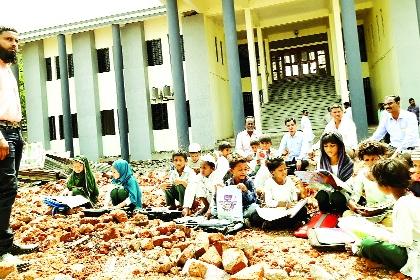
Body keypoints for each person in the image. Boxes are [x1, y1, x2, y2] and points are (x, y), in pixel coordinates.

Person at [0, 27, 38, 256]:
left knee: (7, 191)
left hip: (14, 132)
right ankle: (2, 248)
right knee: (6, 189)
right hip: (2, 133)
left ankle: (5, 242)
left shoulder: (8, 69)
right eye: (8, 39)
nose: (14, 43)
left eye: (16, 39)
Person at [357, 159, 419, 279]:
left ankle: (381, 262)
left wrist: (381, 235)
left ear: (385, 185)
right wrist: (387, 230)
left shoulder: (402, 205)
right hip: (413, 245)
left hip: (413, 254)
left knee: (368, 244)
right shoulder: (409, 198)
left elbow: (404, 241)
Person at [345, 140, 394, 225]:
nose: (371, 163)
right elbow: (356, 193)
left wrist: (376, 210)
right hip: (368, 210)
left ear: (381, 157)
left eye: (374, 159)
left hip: (387, 212)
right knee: (347, 215)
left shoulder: (388, 172)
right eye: (367, 160)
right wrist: (352, 203)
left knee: (391, 222)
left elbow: (391, 200)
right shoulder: (362, 173)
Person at [253, 157, 308, 230]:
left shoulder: (289, 180)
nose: (284, 172)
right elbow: (269, 202)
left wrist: (294, 201)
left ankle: (281, 224)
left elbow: (294, 193)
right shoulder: (269, 183)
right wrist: (284, 204)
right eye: (280, 170)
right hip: (275, 210)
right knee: (255, 217)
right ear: (273, 172)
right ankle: (275, 224)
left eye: (285, 169)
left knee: (303, 210)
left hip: (289, 209)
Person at [315, 132, 354, 214]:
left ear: (339, 146)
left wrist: (331, 181)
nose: (329, 149)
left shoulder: (348, 163)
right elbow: (319, 183)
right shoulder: (321, 162)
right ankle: (327, 215)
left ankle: (341, 214)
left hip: (343, 194)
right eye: (325, 146)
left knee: (337, 196)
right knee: (321, 195)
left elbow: (349, 188)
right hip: (327, 191)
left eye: (332, 146)